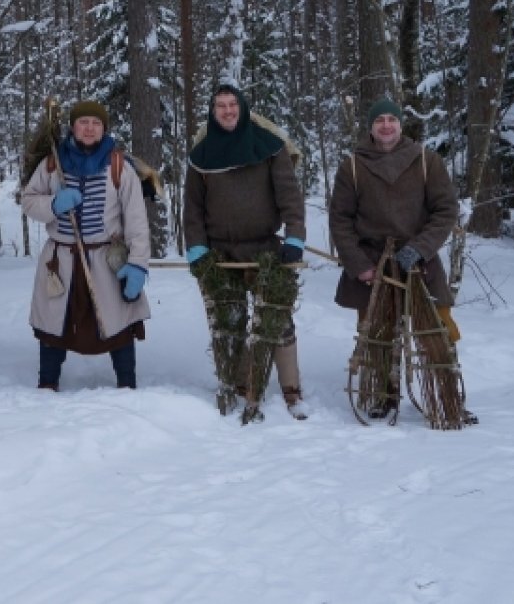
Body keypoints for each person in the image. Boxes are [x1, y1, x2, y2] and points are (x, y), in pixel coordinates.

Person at [328, 97, 475, 422]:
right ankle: (384, 396)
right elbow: (340, 219)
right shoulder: (353, 165)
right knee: (377, 336)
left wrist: (420, 248)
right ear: (371, 127)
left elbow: (445, 210)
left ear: (400, 124)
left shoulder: (425, 161)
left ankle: (448, 399)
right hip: (372, 263)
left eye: (391, 120)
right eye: (379, 120)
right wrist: (358, 264)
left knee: (438, 331)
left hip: (419, 263)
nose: (385, 126)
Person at [183, 82, 308, 424]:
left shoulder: (269, 147)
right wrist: (196, 245)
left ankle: (291, 389)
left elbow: (289, 196)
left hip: (265, 248)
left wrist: (295, 236)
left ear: (243, 108)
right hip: (221, 253)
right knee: (230, 322)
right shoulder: (202, 154)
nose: (227, 111)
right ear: (213, 111)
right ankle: (240, 385)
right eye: (220, 106)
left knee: (277, 318)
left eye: (232, 105)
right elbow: (192, 207)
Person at [21, 101, 151, 390]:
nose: (89, 128)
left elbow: (136, 221)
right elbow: (28, 200)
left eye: (96, 123)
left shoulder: (119, 166)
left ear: (104, 128)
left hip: (106, 259)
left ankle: (127, 384)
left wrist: (138, 263)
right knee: (55, 325)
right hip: (61, 259)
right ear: (72, 127)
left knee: (118, 322)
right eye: (83, 122)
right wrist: (53, 204)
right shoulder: (52, 163)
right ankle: (47, 384)